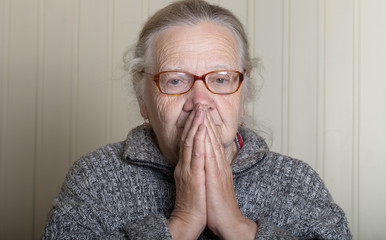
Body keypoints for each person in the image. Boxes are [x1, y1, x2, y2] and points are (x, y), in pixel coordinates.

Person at [42, 0, 352, 239]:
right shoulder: (96, 178)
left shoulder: (296, 181)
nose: (200, 101)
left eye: (220, 80)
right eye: (175, 81)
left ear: (243, 99)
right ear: (143, 101)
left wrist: (238, 226)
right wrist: (181, 223)